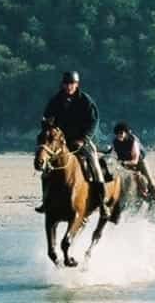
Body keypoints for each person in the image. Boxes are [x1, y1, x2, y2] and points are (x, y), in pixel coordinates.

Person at [35, 70, 108, 213]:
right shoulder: (55, 100)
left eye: (72, 84)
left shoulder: (85, 100)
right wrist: (48, 126)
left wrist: (84, 138)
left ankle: (102, 202)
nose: (69, 86)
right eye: (66, 84)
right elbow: (47, 118)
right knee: (46, 170)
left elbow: (94, 121)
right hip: (61, 141)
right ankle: (46, 201)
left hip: (83, 140)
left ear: (77, 84)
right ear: (62, 85)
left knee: (94, 164)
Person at [108, 121, 155, 213]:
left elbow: (135, 160)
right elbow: (112, 154)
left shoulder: (133, 141)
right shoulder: (115, 142)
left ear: (126, 133)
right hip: (124, 164)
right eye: (117, 134)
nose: (119, 135)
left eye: (121, 133)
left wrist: (123, 163)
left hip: (140, 162)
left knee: (149, 181)